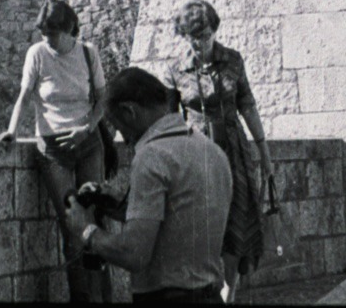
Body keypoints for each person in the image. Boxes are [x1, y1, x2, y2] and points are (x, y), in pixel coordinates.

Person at [65, 65, 232, 305]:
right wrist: (118, 205)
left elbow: (135, 254)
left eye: (118, 126)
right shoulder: (212, 151)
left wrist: (85, 230)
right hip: (211, 293)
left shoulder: (152, 156)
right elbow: (178, 218)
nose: (123, 137)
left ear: (129, 111)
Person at [1, 0, 110, 303]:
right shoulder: (37, 54)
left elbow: (103, 98)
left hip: (88, 144)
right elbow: (24, 96)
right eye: (44, 33)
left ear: (68, 28)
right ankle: (81, 297)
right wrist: (12, 130)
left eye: (53, 34)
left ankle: (103, 295)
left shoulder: (88, 53)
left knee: (95, 222)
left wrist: (86, 128)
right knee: (72, 228)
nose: (48, 39)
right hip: (52, 149)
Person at [165, 0, 273, 300]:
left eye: (206, 36)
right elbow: (168, 120)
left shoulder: (233, 60)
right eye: (193, 38)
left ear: (215, 30)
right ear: (184, 36)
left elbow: (248, 106)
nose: (200, 43)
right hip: (196, 155)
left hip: (234, 152)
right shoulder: (175, 70)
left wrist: (265, 155)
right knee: (203, 224)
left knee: (237, 222)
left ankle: (229, 293)